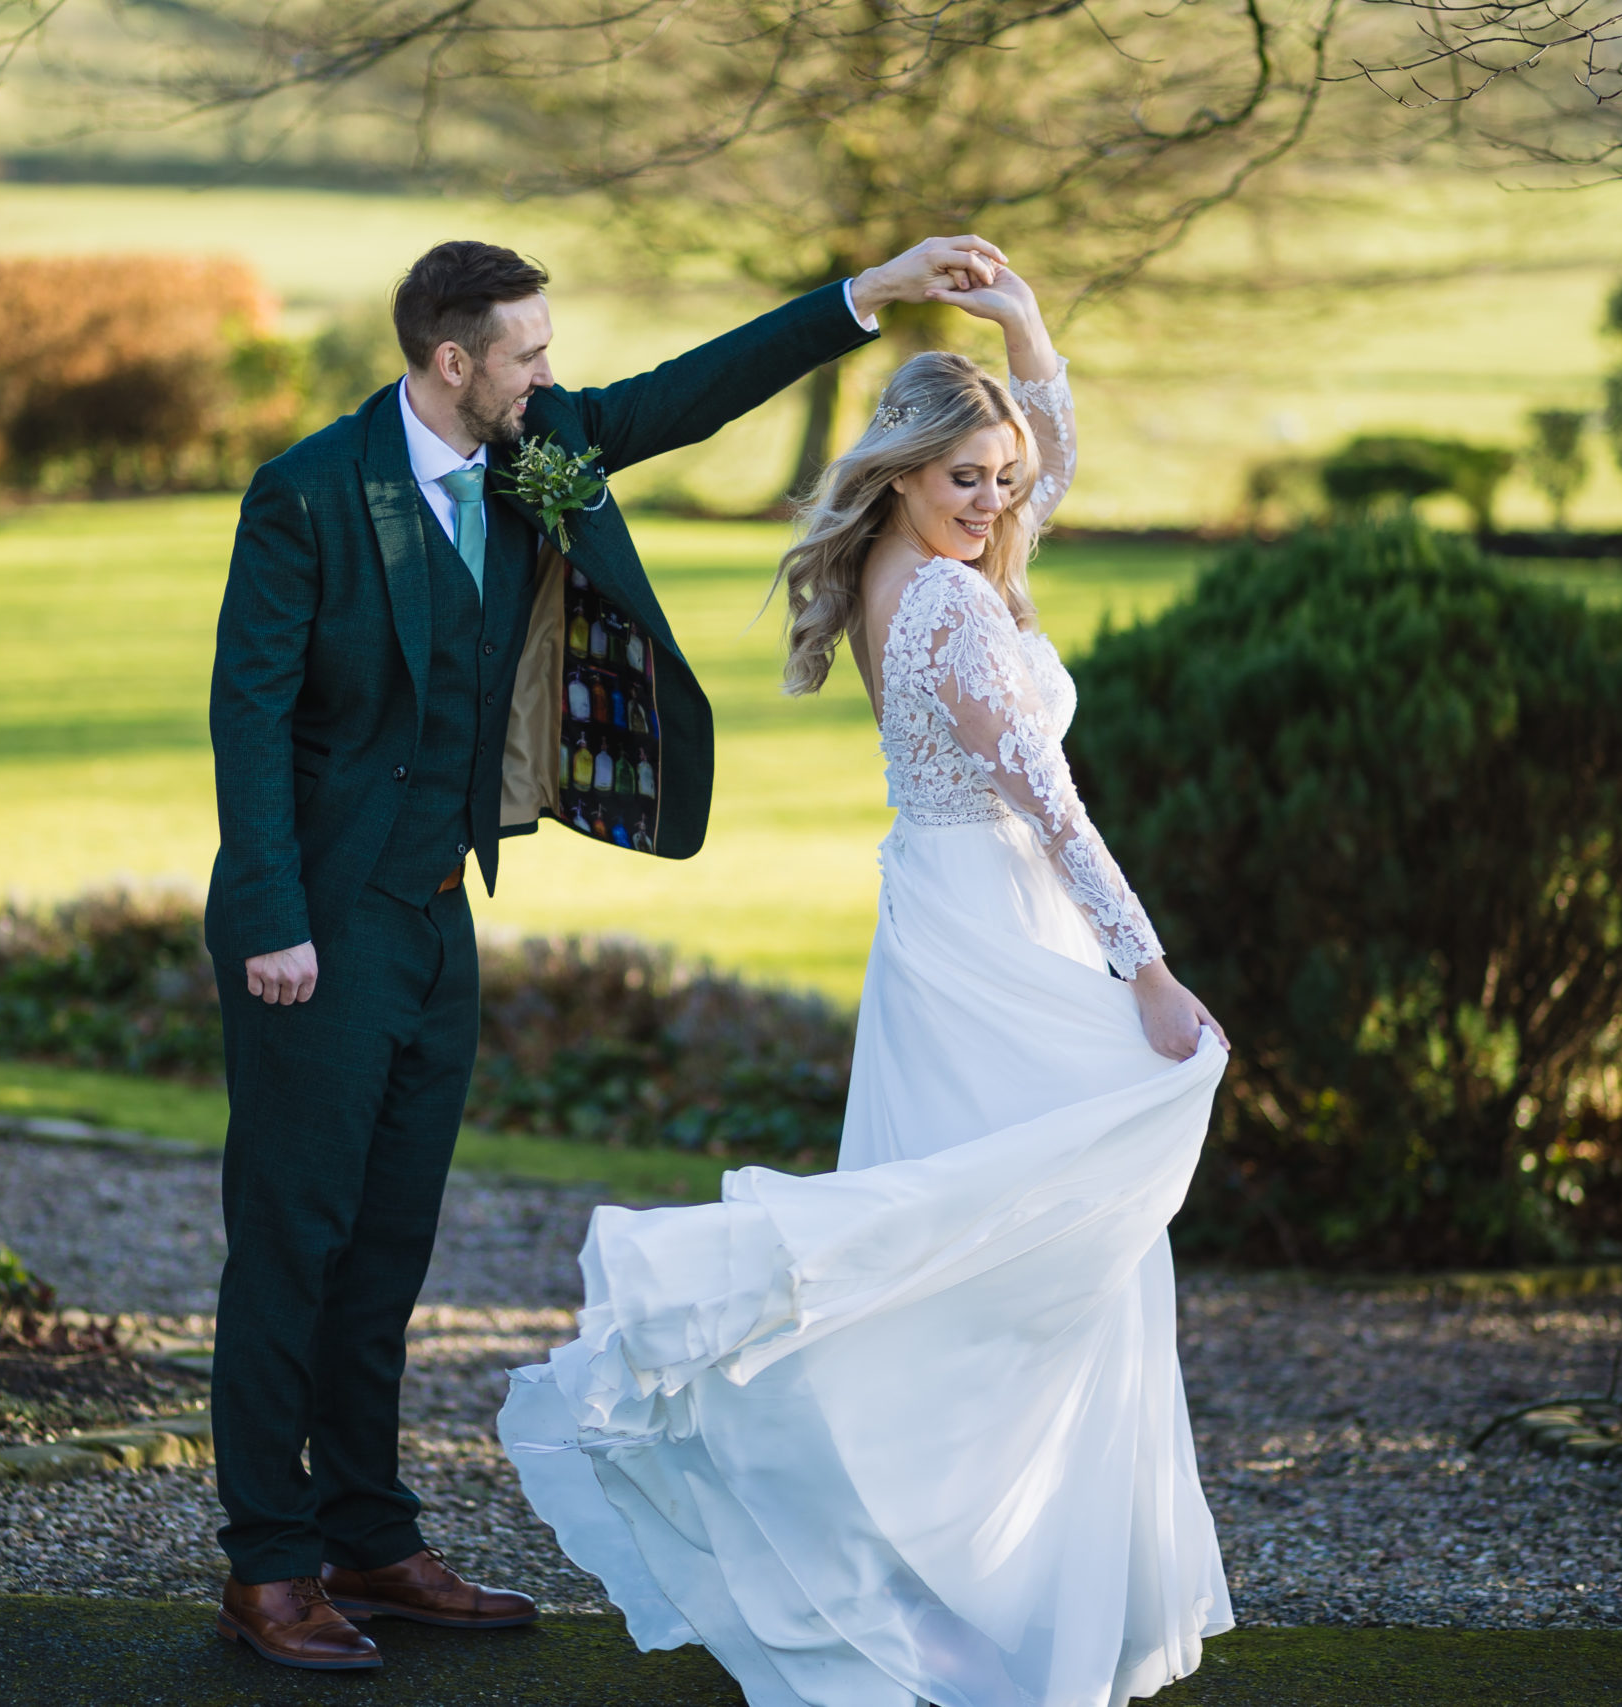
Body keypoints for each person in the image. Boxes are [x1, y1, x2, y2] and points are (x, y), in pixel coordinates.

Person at [204, 232, 1010, 1672]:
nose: (551, 374)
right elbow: (249, 714)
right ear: (453, 364)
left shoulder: (540, 445)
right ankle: (268, 1565)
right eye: (528, 354)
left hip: (439, 915)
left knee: (388, 1245)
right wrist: (272, 919)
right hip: (315, 930)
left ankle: (370, 1537)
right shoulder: (310, 495)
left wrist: (865, 299)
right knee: (292, 1244)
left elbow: (689, 395)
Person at [498, 261, 1236, 1707]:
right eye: (967, 478)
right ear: (902, 474)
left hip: (949, 918)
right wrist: (1144, 971)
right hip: (996, 932)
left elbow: (1045, 467)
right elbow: (1054, 804)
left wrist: (1023, 335)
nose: (997, 502)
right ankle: (974, 1590)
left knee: (1001, 1245)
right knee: (1013, 1246)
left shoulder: (922, 566)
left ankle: (973, 1581)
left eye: (1001, 480)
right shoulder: (956, 611)